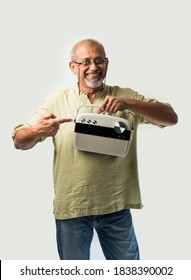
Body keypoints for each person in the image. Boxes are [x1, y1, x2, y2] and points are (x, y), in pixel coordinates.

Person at [12, 38, 178, 260]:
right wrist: (35, 132)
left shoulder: (124, 96)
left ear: (106, 64)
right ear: (73, 67)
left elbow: (170, 118)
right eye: (86, 62)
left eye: (99, 61)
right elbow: (19, 140)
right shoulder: (57, 101)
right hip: (72, 208)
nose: (93, 67)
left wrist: (128, 104)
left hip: (116, 207)